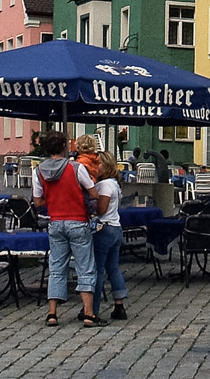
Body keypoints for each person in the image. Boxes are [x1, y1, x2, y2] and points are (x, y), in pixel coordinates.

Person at [33, 131, 105, 327]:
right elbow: (93, 193)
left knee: (56, 267)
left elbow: (38, 201)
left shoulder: (38, 170)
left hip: (55, 222)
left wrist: (54, 198)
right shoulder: (76, 168)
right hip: (78, 221)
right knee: (85, 267)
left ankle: (52, 313)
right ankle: (89, 313)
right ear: (65, 146)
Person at [90, 152, 129, 321]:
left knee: (98, 270)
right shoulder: (115, 184)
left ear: (106, 167)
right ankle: (119, 304)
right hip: (116, 228)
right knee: (113, 268)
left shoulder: (104, 185)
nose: (95, 167)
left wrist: (91, 206)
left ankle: (93, 309)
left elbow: (101, 210)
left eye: (98, 164)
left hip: (103, 228)